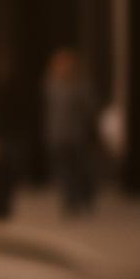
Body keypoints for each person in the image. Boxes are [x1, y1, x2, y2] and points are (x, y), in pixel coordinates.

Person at [43, 47, 97, 217]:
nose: (63, 67)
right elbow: (48, 111)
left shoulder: (80, 85)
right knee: (63, 170)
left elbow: (89, 108)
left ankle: (83, 197)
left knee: (79, 169)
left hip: (76, 135)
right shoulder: (50, 84)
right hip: (58, 135)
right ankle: (69, 202)